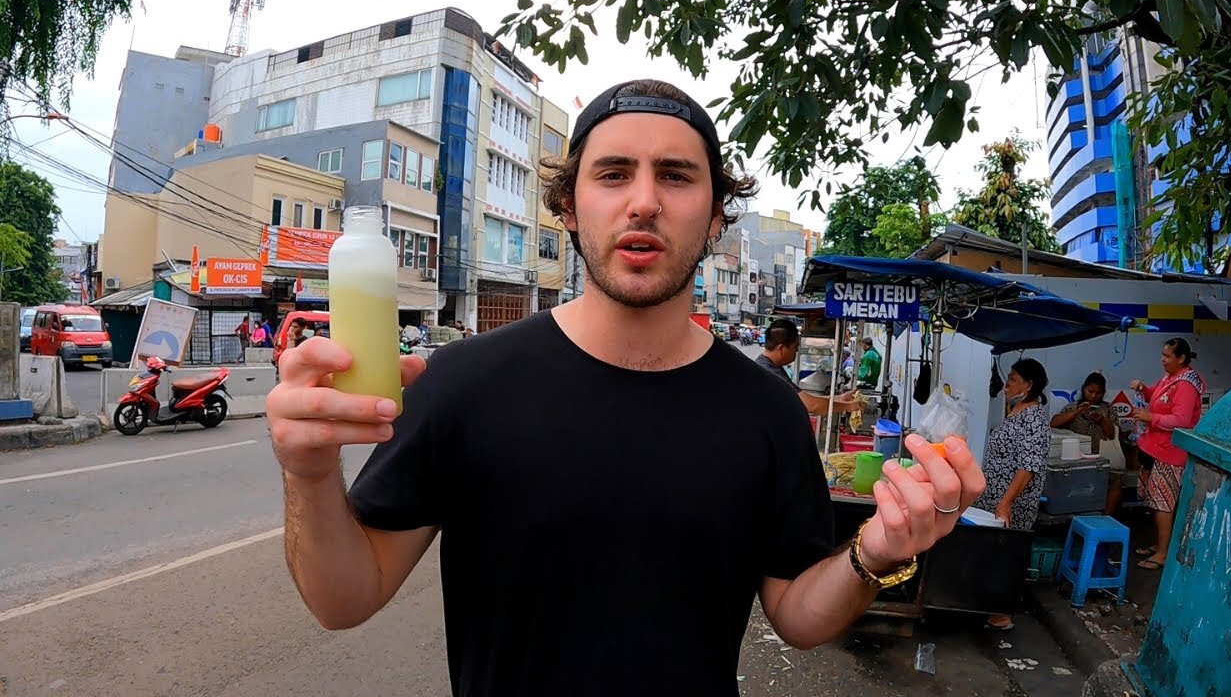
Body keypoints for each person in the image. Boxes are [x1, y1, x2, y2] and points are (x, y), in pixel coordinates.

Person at [265, 79, 986, 695]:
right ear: (570, 209)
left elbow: (798, 617)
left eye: (675, 175)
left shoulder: (766, 410)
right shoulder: (462, 385)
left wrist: (877, 552)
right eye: (613, 174)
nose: (643, 201)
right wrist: (309, 471)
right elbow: (344, 598)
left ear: (713, 220)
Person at [972, 358, 1051, 631]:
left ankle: (1002, 614)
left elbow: (1028, 467)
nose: (1007, 384)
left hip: (1012, 502)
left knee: (1006, 555)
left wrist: (1005, 504)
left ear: (1029, 385)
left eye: (1014, 379)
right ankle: (988, 606)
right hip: (994, 496)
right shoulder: (1017, 409)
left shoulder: (1034, 419)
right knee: (992, 553)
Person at [1130, 337, 1205, 570]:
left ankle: (1163, 553)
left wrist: (1150, 417)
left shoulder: (1186, 384)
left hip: (1170, 454)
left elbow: (1181, 420)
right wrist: (1145, 389)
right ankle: (1161, 544)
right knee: (1154, 500)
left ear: (1181, 359)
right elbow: (1158, 397)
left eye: (1167, 356)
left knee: (1163, 503)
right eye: (1162, 355)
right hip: (1154, 449)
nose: (1162, 360)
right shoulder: (1171, 377)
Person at [755, 319, 864, 416]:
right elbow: (812, 405)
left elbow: (801, 399)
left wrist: (840, 399)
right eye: (795, 347)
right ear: (781, 348)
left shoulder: (770, 367)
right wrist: (848, 406)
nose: (797, 351)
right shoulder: (769, 372)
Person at [1051, 372, 1124, 514]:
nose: (1094, 396)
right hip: (1077, 459)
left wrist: (1102, 420)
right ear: (1084, 389)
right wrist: (1076, 412)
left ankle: (1105, 517)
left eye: (1098, 393)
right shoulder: (1073, 407)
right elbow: (1053, 423)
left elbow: (1112, 434)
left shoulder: (1108, 409)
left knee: (1116, 481)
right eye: (1090, 391)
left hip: (1100, 458)